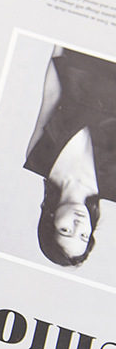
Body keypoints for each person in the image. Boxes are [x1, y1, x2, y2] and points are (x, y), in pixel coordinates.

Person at [24, 45, 116, 266]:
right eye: (84, 235)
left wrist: (59, 45)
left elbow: (50, 97)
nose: (79, 225)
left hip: (81, 52)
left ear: (50, 221)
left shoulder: (38, 159)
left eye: (66, 231)